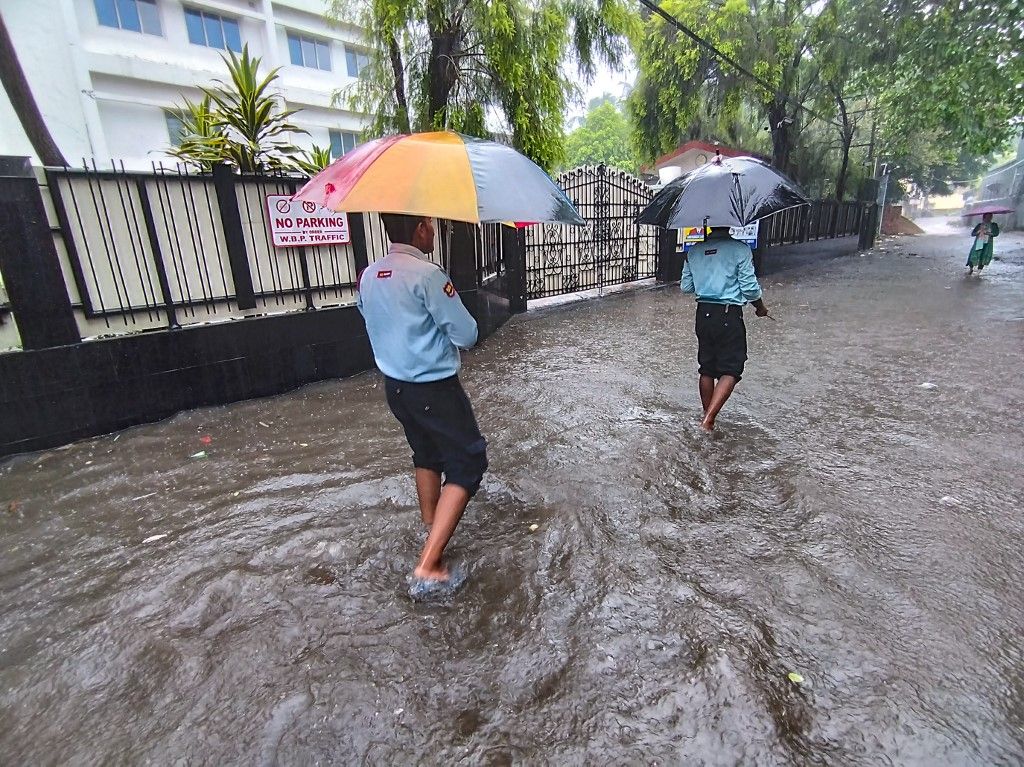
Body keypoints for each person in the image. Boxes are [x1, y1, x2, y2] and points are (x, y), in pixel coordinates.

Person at [357, 214, 487, 600]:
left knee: (426, 454)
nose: (432, 230)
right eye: (429, 225)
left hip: (396, 388)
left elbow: (368, 317)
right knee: (468, 463)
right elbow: (467, 334)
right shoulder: (428, 275)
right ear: (418, 230)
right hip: (434, 389)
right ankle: (429, 563)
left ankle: (431, 527)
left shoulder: (369, 275)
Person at [681, 226, 770, 431]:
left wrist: (706, 276)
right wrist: (760, 308)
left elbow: (686, 287)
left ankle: (707, 416)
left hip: (703, 314)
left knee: (707, 368)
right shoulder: (740, 249)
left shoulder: (693, 251)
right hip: (728, 314)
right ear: (730, 224)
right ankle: (708, 420)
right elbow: (749, 288)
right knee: (731, 368)